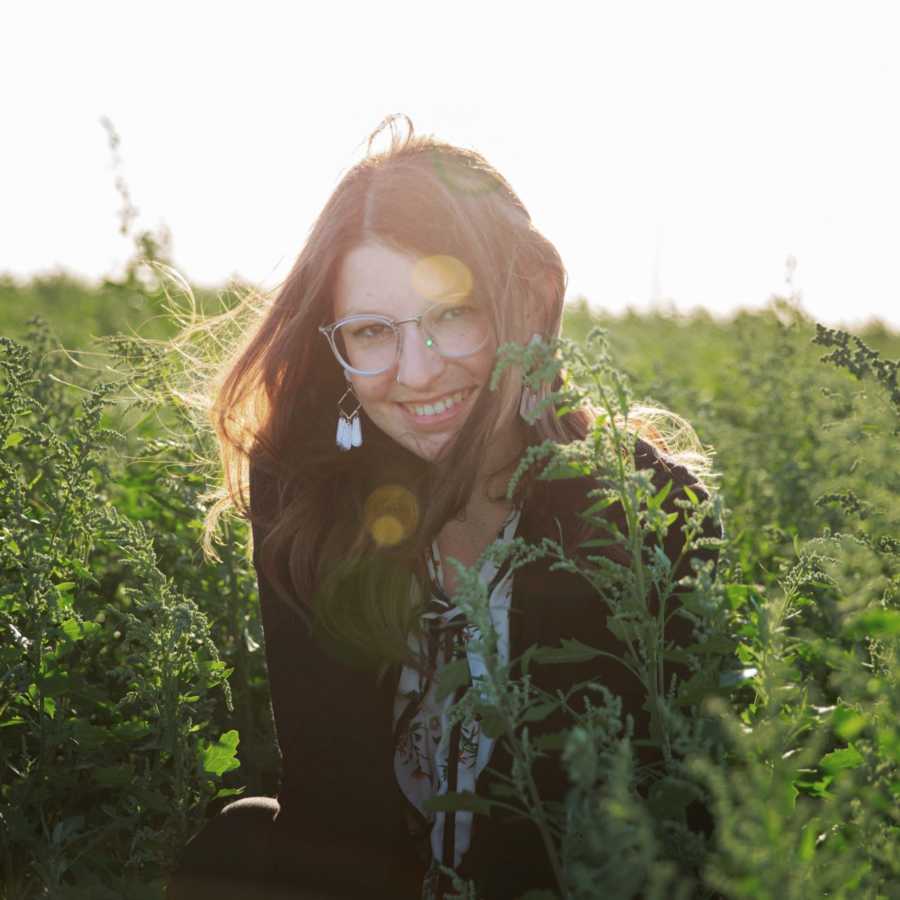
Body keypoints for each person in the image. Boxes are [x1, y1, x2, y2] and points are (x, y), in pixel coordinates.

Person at [167, 115, 719, 900]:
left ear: (523, 304)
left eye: (451, 315)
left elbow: (654, 828)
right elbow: (330, 804)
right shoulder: (309, 491)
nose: (417, 372)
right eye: (371, 332)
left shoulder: (644, 507)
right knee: (235, 848)